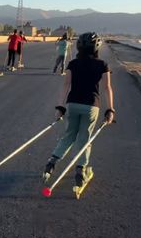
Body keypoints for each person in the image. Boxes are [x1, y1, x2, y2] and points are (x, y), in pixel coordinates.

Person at [43, 32, 115, 187]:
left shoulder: (73, 64)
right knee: (84, 139)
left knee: (69, 135)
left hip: (72, 104)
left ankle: (51, 163)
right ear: (96, 48)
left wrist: (60, 107)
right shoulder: (103, 65)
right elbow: (107, 88)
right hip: (91, 106)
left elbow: (65, 86)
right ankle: (80, 170)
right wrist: (110, 109)